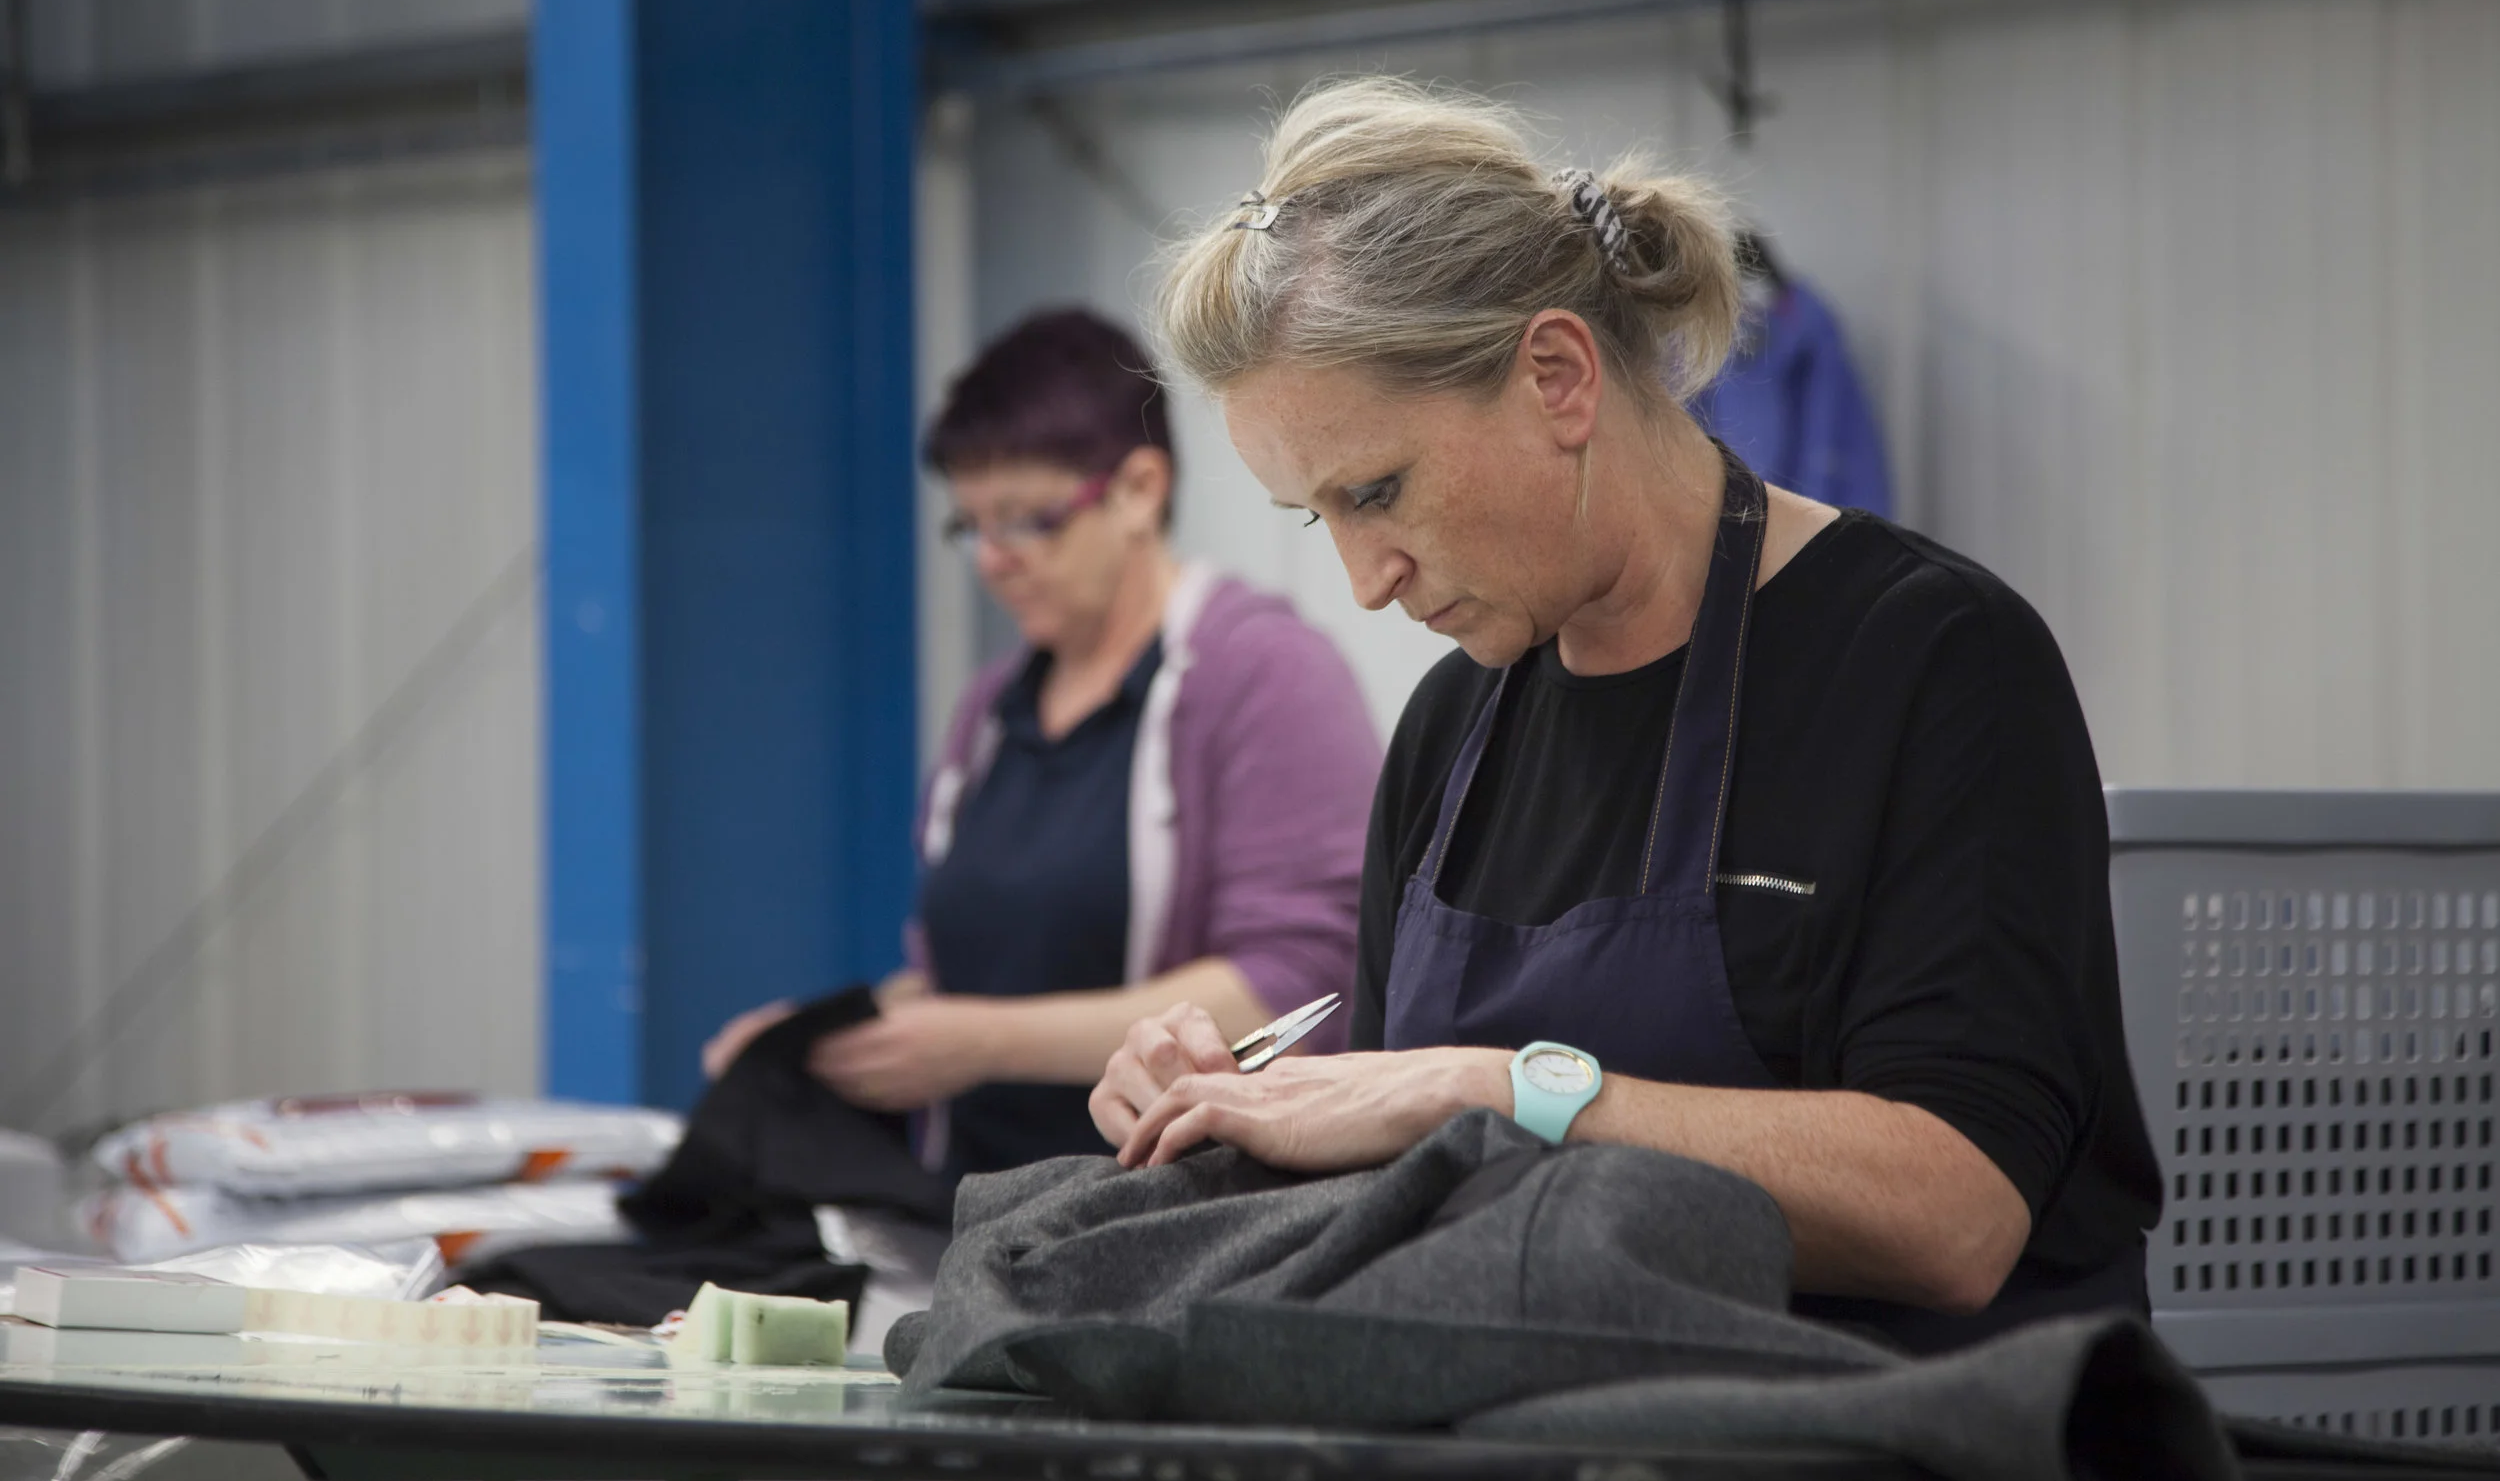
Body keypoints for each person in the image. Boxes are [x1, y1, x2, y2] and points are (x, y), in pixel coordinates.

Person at [1087, 79, 2161, 1354]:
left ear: (1556, 375)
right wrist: (1240, 1113)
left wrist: (1493, 1090)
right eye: (1317, 516)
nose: (1364, 578)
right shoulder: (1447, 735)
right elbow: (1394, 1196)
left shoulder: (1931, 661)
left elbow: (1953, 1212)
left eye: (1378, 490)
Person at [707, 309, 1379, 1180]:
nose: (992, 558)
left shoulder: (1266, 675)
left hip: (1168, 1218)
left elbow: (1294, 986)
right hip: (972, 1214)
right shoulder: (991, 712)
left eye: (1027, 520)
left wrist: (982, 1043)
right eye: (971, 525)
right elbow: (966, 974)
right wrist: (826, 1040)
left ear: (1140, 489)